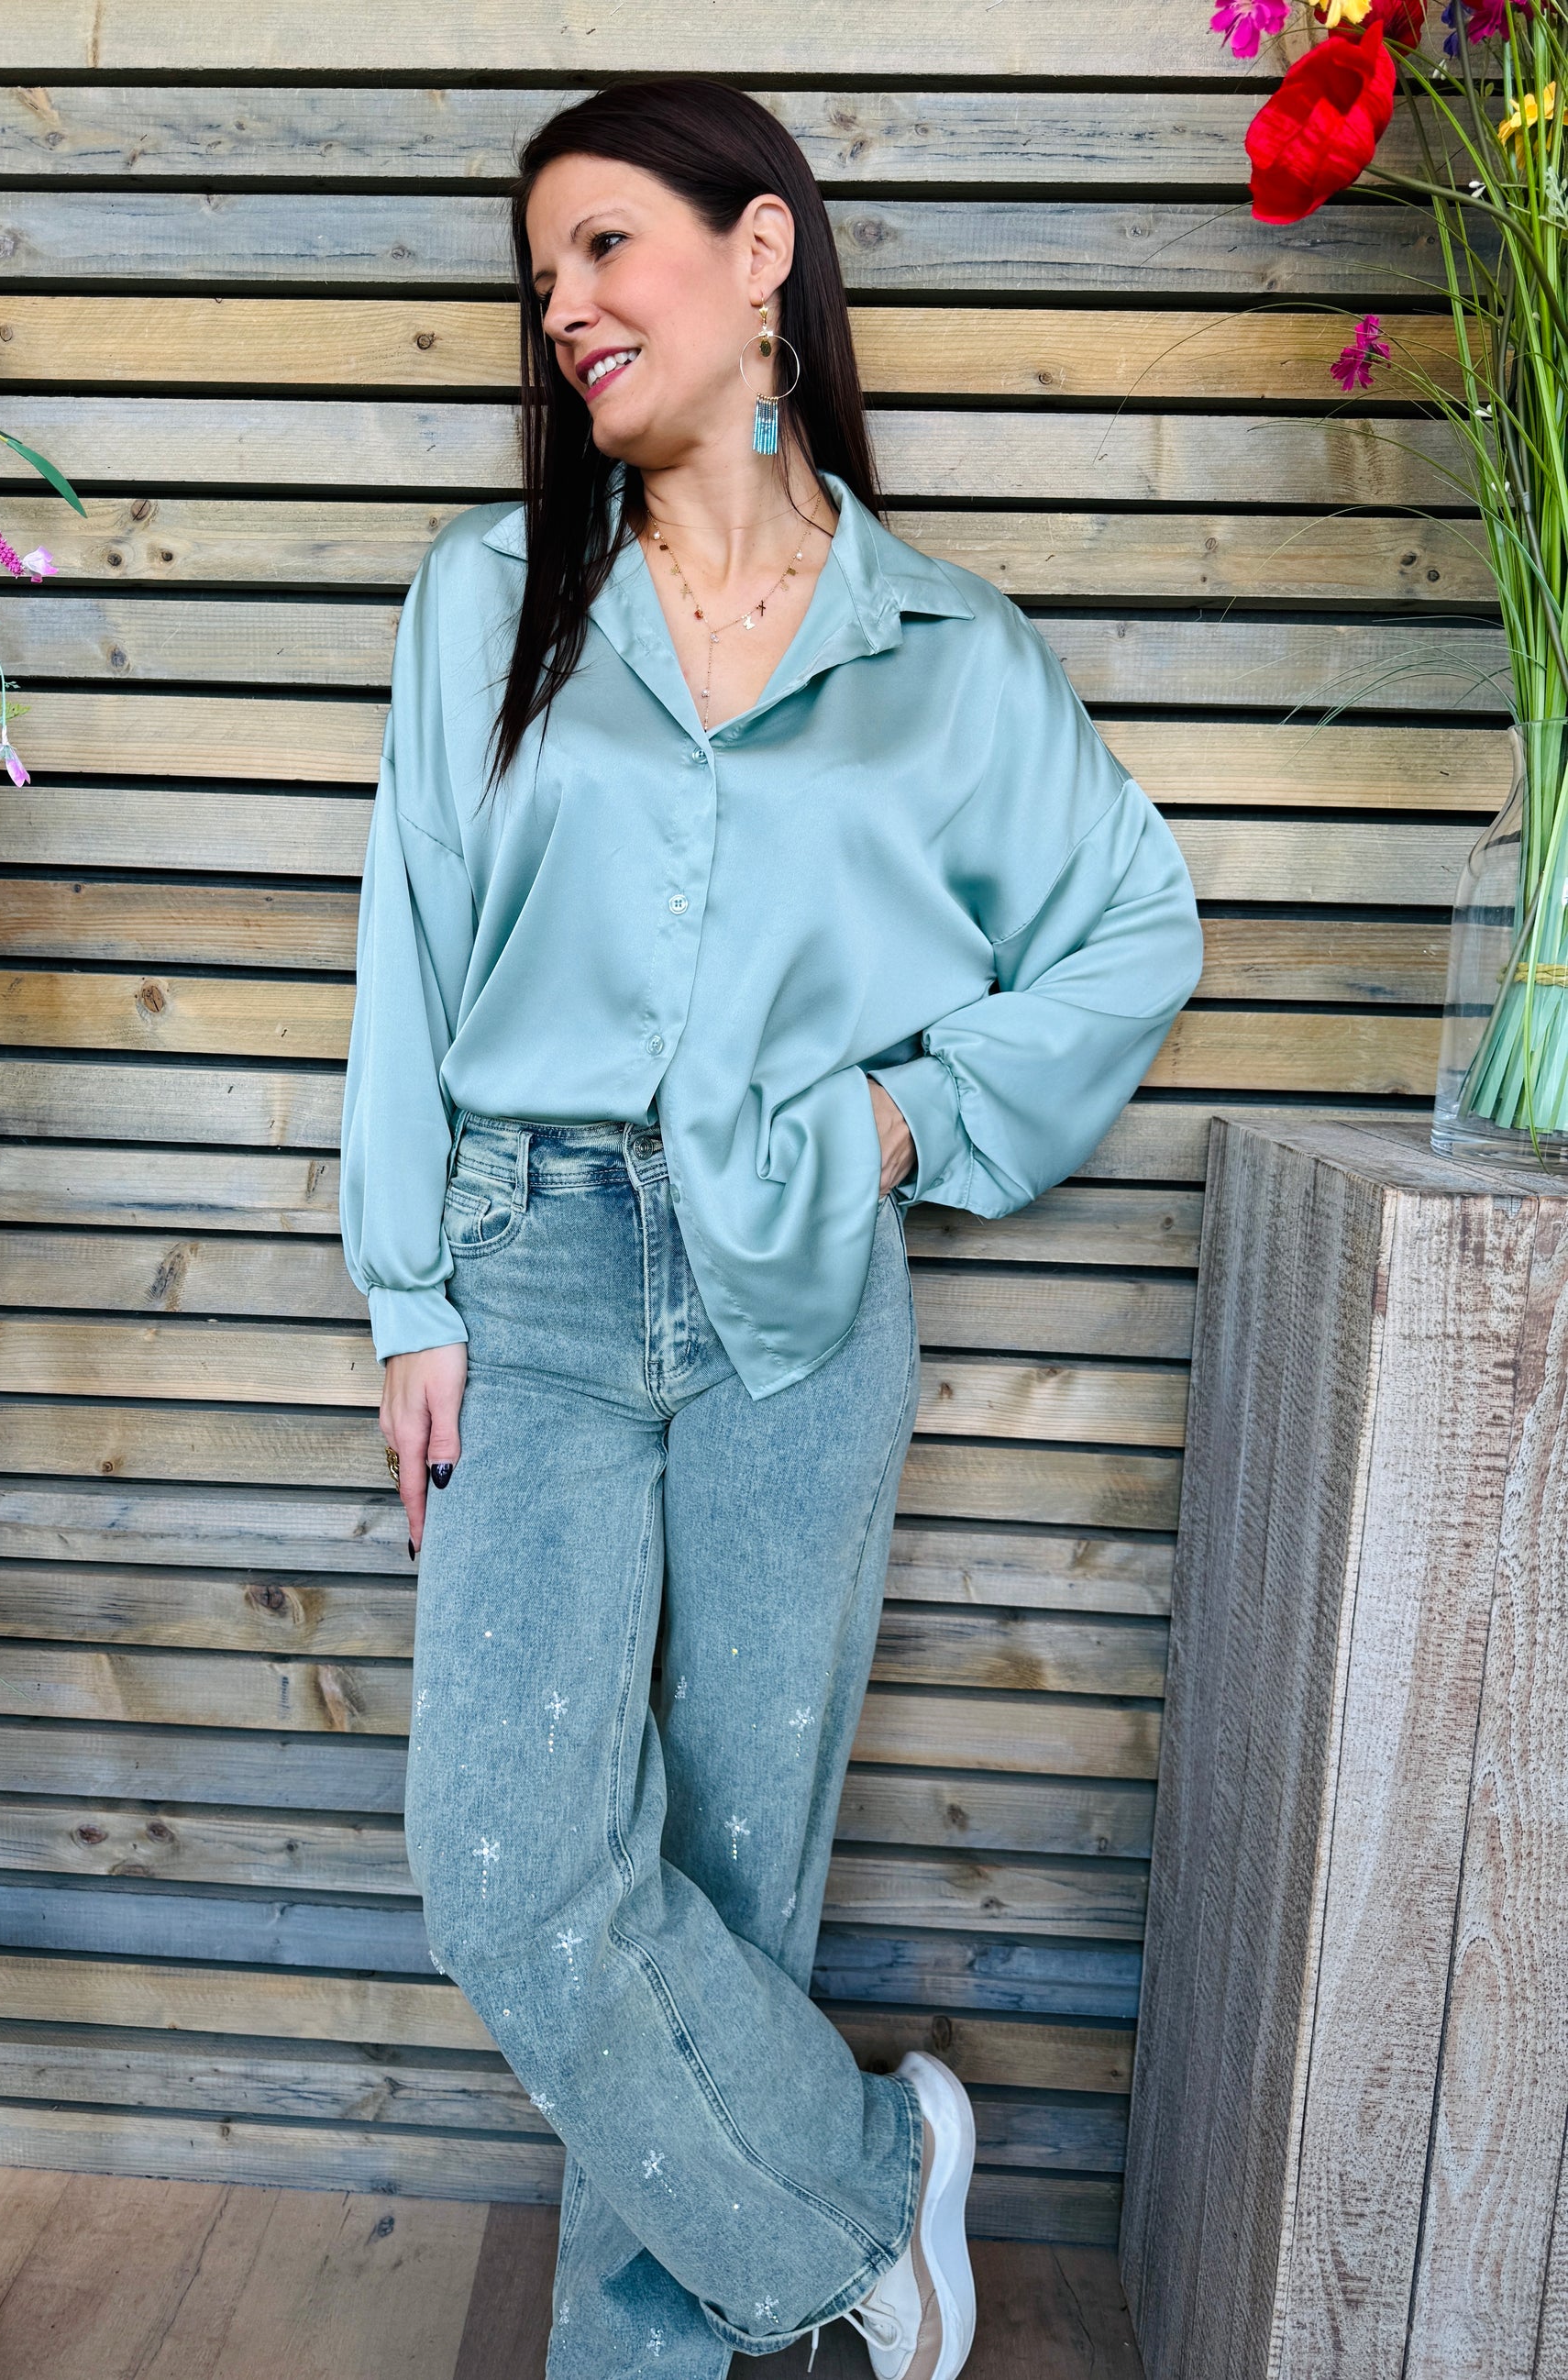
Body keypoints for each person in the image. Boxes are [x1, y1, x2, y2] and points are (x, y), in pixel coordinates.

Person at [340, 79, 1204, 2380]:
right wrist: (408, 1287)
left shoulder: (945, 656)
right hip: (528, 1267)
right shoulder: (488, 602)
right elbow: (408, 951)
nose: (563, 305)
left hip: (800, 1296)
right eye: (540, 273)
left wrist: (912, 1121)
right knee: (512, 1862)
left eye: (604, 245)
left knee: (728, 1875)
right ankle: (865, 2178)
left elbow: (1133, 924)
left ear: (759, 256)